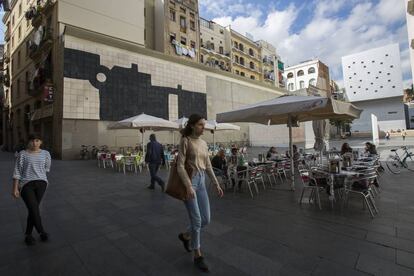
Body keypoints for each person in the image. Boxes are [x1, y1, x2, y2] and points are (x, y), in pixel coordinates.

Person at [176, 114, 224, 273]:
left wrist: (216, 184)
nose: (204, 127)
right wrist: (188, 186)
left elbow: (208, 165)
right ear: (192, 126)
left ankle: (185, 235)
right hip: (190, 182)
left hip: (202, 181)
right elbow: (180, 166)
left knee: (206, 219)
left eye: (204, 125)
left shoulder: (203, 143)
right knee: (197, 221)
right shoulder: (185, 141)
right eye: (201, 125)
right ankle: (197, 255)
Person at [12, 134, 51, 246]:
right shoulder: (22, 154)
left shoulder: (46, 154)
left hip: (41, 183)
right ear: (28, 142)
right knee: (34, 208)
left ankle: (28, 235)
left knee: (33, 209)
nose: (34, 143)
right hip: (26, 185)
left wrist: (41, 178)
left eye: (37, 140)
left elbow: (46, 169)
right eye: (32, 141)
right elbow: (17, 171)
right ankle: (41, 231)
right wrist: (15, 188)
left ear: (41, 142)